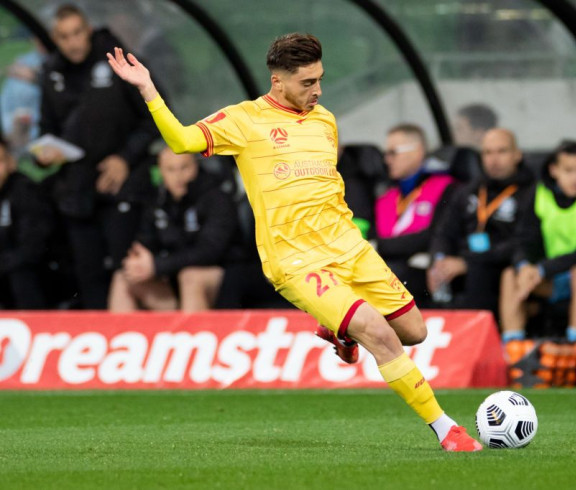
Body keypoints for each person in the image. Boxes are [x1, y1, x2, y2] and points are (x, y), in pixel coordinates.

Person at [107, 33, 482, 451]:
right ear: (277, 81)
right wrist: (148, 89)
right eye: (307, 83)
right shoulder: (244, 121)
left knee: (414, 332)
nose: (317, 90)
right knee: (380, 334)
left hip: (350, 248)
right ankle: (447, 429)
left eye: (320, 79)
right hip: (297, 262)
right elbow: (179, 140)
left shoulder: (325, 120)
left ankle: (341, 331)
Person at [36, 4, 159, 308]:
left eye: (77, 33)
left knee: (127, 270)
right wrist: (45, 155)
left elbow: (154, 117)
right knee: (88, 274)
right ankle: (98, 344)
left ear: (88, 30)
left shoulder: (118, 61)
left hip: (124, 186)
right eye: (64, 36)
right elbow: (47, 130)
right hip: (77, 191)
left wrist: (124, 159)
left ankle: (140, 343)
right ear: (55, 38)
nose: (72, 42)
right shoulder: (51, 72)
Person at [500, 141, 576, 342]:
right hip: (553, 274)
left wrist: (542, 269)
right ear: (554, 170)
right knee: (511, 274)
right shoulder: (539, 192)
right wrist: (525, 266)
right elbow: (523, 239)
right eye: (569, 171)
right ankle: (513, 347)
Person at [108, 147, 244, 311]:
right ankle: (129, 336)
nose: (178, 176)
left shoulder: (216, 197)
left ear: (196, 166)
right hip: (173, 279)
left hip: (224, 279)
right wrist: (139, 261)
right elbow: (147, 241)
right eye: (171, 170)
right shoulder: (158, 200)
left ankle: (193, 334)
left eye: (184, 168)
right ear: (161, 172)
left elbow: (210, 251)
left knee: (190, 277)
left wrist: (158, 266)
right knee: (123, 278)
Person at [428, 128, 534, 315]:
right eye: (487, 152)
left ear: (517, 155)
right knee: (409, 275)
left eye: (502, 151)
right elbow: (444, 232)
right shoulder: (468, 190)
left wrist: (467, 262)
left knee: (480, 272)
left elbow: (521, 243)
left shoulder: (531, 192)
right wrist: (439, 260)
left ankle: (471, 338)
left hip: (498, 264)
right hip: (462, 260)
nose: (494, 159)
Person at [375, 124, 457, 307]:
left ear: (418, 152)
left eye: (393, 152)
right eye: (385, 153)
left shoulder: (446, 188)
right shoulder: (386, 195)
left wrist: (381, 246)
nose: (387, 160)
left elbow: (433, 236)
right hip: (385, 270)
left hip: (421, 273)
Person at [0, 138, 55, 309]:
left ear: (11, 163)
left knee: (21, 274)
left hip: (33, 273)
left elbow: (32, 247)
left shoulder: (25, 191)